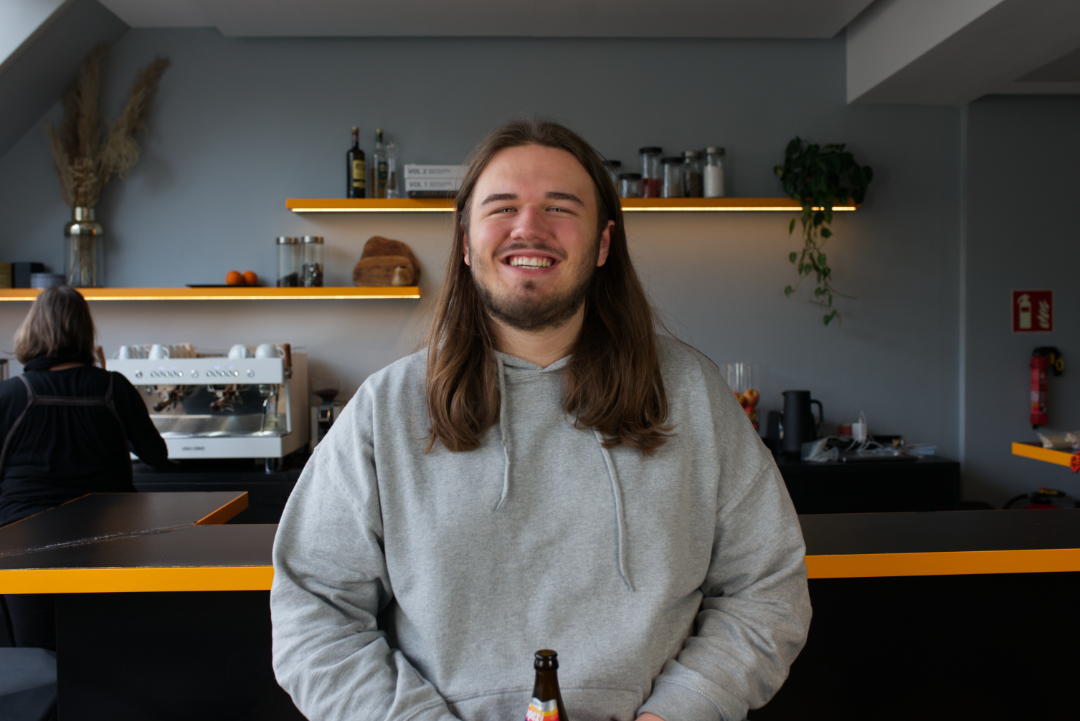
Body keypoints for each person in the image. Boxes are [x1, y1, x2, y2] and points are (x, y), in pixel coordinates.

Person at [271, 119, 811, 721]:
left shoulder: (692, 394)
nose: (528, 227)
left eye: (560, 207)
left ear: (603, 244)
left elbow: (767, 589)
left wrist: (678, 713)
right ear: (466, 242)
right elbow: (313, 614)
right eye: (503, 207)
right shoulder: (385, 409)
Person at [0, 286, 168, 650]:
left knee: (36, 654)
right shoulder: (113, 388)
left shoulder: (11, 393)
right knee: (102, 648)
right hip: (105, 542)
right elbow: (156, 455)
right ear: (85, 332)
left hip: (23, 542)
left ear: (31, 330)